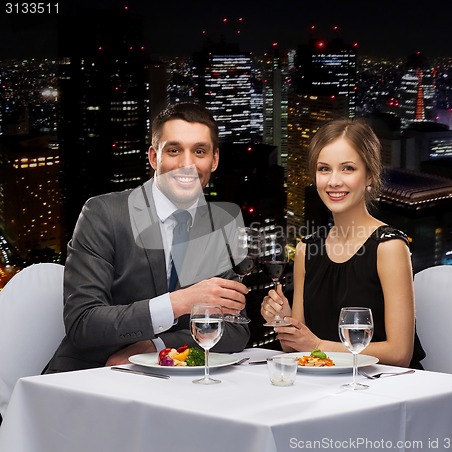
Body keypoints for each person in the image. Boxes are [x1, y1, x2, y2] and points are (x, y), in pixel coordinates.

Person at [44, 102, 250, 373]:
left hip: (171, 387)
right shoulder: (103, 213)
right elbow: (83, 324)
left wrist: (158, 345)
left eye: (199, 151)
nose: (186, 164)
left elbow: (236, 329)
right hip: (90, 380)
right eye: (174, 151)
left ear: (214, 160)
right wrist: (179, 303)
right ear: (154, 157)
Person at [261, 118, 425, 369]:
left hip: (384, 389)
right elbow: (293, 348)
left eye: (348, 168)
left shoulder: (389, 246)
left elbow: (400, 353)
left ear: (370, 175)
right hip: (323, 387)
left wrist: (317, 346)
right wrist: (284, 321)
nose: (333, 181)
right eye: (324, 169)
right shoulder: (307, 249)